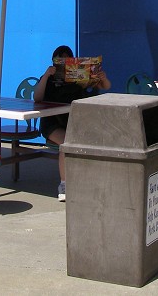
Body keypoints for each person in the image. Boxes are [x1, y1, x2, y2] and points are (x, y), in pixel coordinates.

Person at [34, 45, 111, 201]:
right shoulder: (49, 78)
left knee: (97, 137)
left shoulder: (78, 78)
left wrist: (102, 77)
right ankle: (64, 184)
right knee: (66, 142)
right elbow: (37, 98)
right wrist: (45, 76)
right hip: (52, 122)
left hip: (74, 121)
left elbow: (105, 86)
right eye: (60, 59)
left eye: (66, 59)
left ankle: (92, 180)